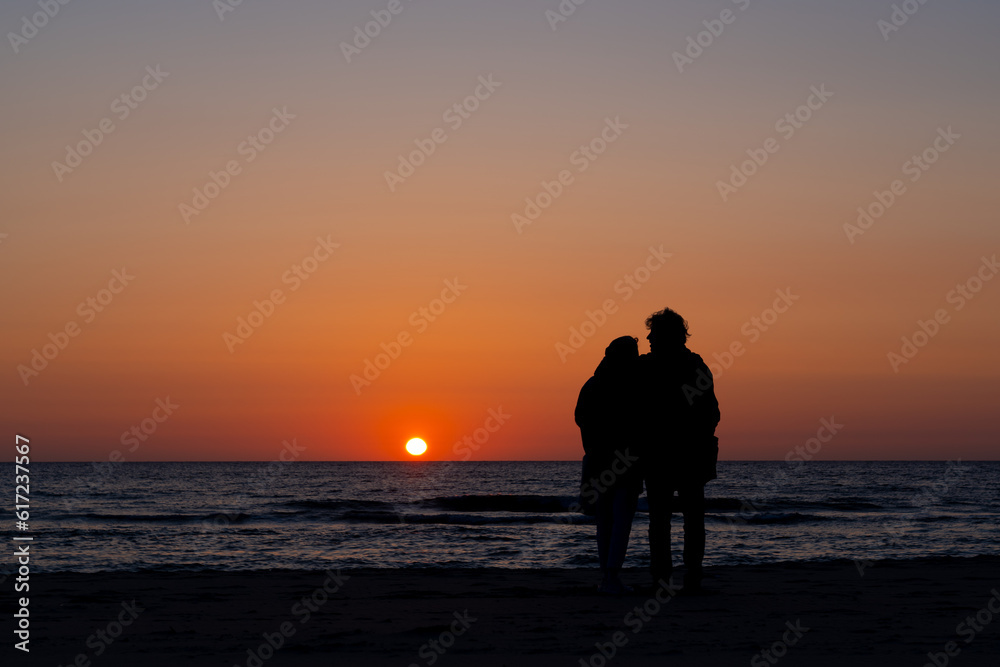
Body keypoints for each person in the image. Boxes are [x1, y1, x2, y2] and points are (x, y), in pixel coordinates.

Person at [639, 308, 720, 592]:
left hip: (669, 456)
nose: (648, 337)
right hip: (683, 456)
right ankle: (690, 576)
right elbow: (712, 414)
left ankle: (665, 579)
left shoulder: (648, 367)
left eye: (653, 332)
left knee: (663, 521)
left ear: (665, 335)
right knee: (689, 520)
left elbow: (711, 413)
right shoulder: (693, 366)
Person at [574, 336, 644, 594]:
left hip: (599, 461)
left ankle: (608, 575)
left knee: (605, 521)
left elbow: (580, 418)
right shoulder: (633, 384)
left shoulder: (593, 384)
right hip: (624, 462)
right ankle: (611, 576)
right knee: (620, 520)